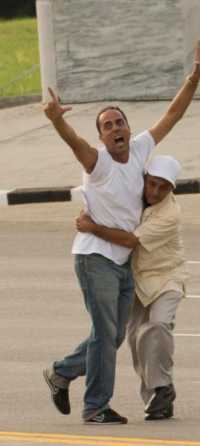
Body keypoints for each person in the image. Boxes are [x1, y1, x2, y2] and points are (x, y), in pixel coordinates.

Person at [41, 44, 200, 424]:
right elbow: (74, 143)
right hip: (95, 257)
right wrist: (56, 120)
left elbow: (172, 115)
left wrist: (194, 79)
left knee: (109, 337)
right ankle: (95, 406)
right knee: (104, 332)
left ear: (129, 129)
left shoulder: (142, 148)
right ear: (101, 136)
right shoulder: (97, 164)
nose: (115, 129)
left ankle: (62, 373)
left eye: (119, 123)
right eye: (107, 125)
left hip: (121, 262)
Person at [76, 155, 187, 421]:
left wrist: (92, 226)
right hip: (134, 281)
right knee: (136, 338)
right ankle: (158, 396)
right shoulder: (134, 194)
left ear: (172, 189)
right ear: (144, 179)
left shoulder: (170, 214)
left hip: (165, 278)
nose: (155, 192)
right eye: (152, 184)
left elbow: (129, 240)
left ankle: (160, 389)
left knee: (157, 326)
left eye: (163, 187)